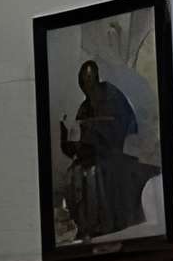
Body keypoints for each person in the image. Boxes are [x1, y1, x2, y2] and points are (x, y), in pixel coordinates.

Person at [58, 57, 153, 242]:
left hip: (115, 152)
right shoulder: (85, 106)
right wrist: (66, 133)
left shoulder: (112, 95)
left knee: (95, 172)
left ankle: (103, 224)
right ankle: (84, 225)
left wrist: (92, 130)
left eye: (89, 80)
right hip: (92, 154)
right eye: (83, 82)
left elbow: (119, 127)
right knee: (73, 172)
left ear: (96, 78)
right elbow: (76, 142)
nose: (86, 85)